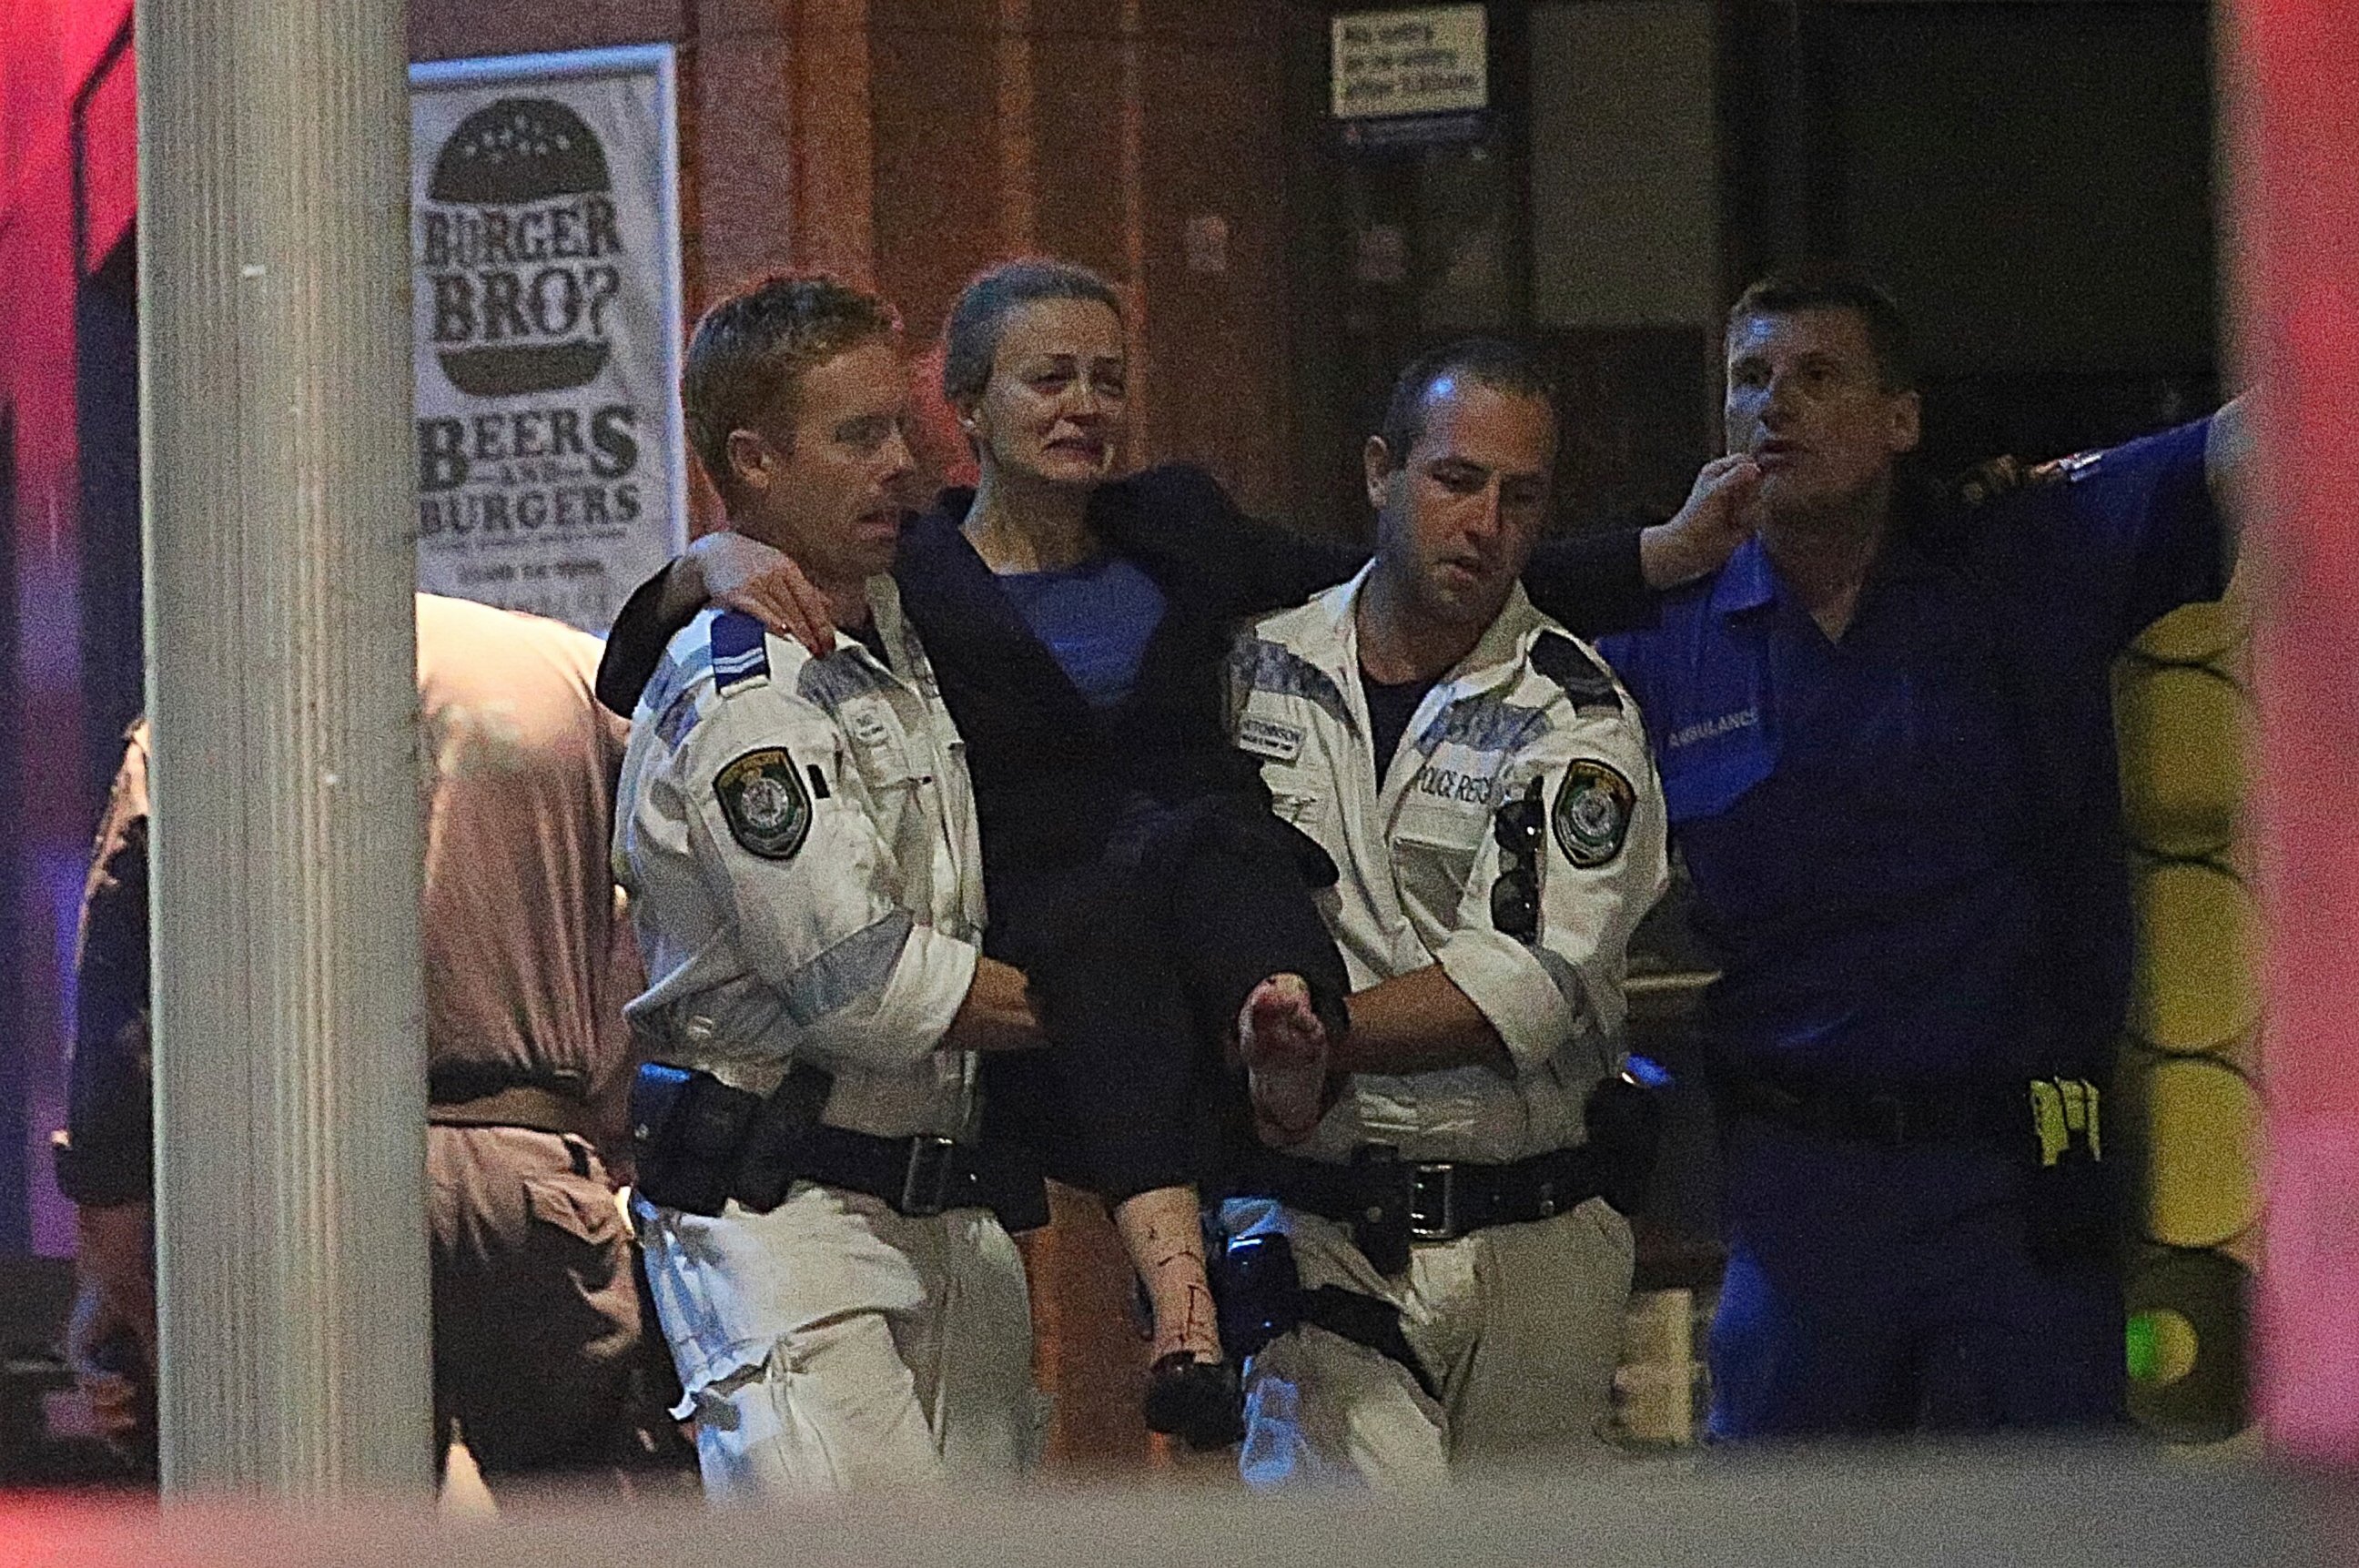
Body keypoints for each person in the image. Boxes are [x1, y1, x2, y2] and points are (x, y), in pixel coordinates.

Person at [596, 258, 1746, 1446]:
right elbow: (665, 675)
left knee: (1240, 884)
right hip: (1012, 983)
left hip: (1157, 943)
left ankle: (1270, 1095)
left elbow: (1409, 566)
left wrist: (1653, 556)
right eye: (1049, 378)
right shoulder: (900, 576)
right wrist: (703, 562)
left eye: (1106, 377)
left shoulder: (1178, 527)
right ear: (975, 406)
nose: (1082, 403)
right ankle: (1183, 1293)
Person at [1595, 268, 2244, 1439]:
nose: (1775, 406)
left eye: (1819, 375)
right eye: (1751, 380)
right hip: (1804, 1190)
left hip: (2018, 1175)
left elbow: (2265, 442)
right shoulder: (1669, 629)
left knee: (2052, 1529)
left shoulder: (2023, 561)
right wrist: (1641, 551)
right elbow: (1459, 607)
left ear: (1902, 418)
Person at [58, 593, 662, 1485]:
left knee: (316, 1510)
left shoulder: (216, 692)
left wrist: (111, 1219)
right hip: (528, 1156)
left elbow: (120, 963)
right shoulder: (582, 677)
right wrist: (617, 1136)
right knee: (587, 1507)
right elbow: (658, 929)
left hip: (297, 1174)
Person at [616, 273, 1051, 1496]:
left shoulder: (900, 625)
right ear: (754, 462)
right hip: (786, 1215)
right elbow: (861, 981)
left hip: (946, 1201)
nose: (902, 465)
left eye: (903, 428)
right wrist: (1111, 1006)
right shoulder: (748, 682)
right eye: (859, 436)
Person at [1211, 339, 1669, 1487]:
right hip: (1324, 1219)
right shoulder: (1255, 668)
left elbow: (1528, 981)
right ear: (1380, 472)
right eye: (1455, 480)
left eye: (1522, 497)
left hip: (1534, 1233)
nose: (1485, 523)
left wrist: (1323, 1036)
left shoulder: (1577, 712)